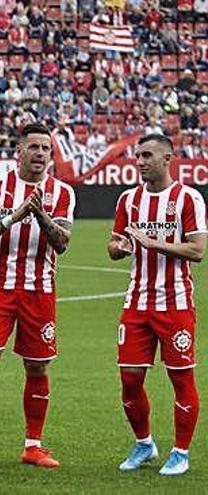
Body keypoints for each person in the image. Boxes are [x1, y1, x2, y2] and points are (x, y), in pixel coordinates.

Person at [0, 122, 75, 469]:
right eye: (35, 147)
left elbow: (62, 243)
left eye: (46, 149)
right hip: (0, 287)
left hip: (40, 291)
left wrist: (39, 213)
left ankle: (33, 445)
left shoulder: (63, 193)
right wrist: (16, 215)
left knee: (37, 367)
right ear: (19, 151)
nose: (41, 154)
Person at [108, 134, 205, 476]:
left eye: (147, 155)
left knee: (181, 378)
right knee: (130, 379)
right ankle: (145, 444)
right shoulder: (128, 199)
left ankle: (181, 452)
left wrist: (154, 242)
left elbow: (197, 251)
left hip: (175, 303)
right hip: (136, 302)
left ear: (168, 159)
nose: (140, 161)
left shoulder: (187, 198)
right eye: (138, 156)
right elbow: (114, 245)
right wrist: (120, 248)